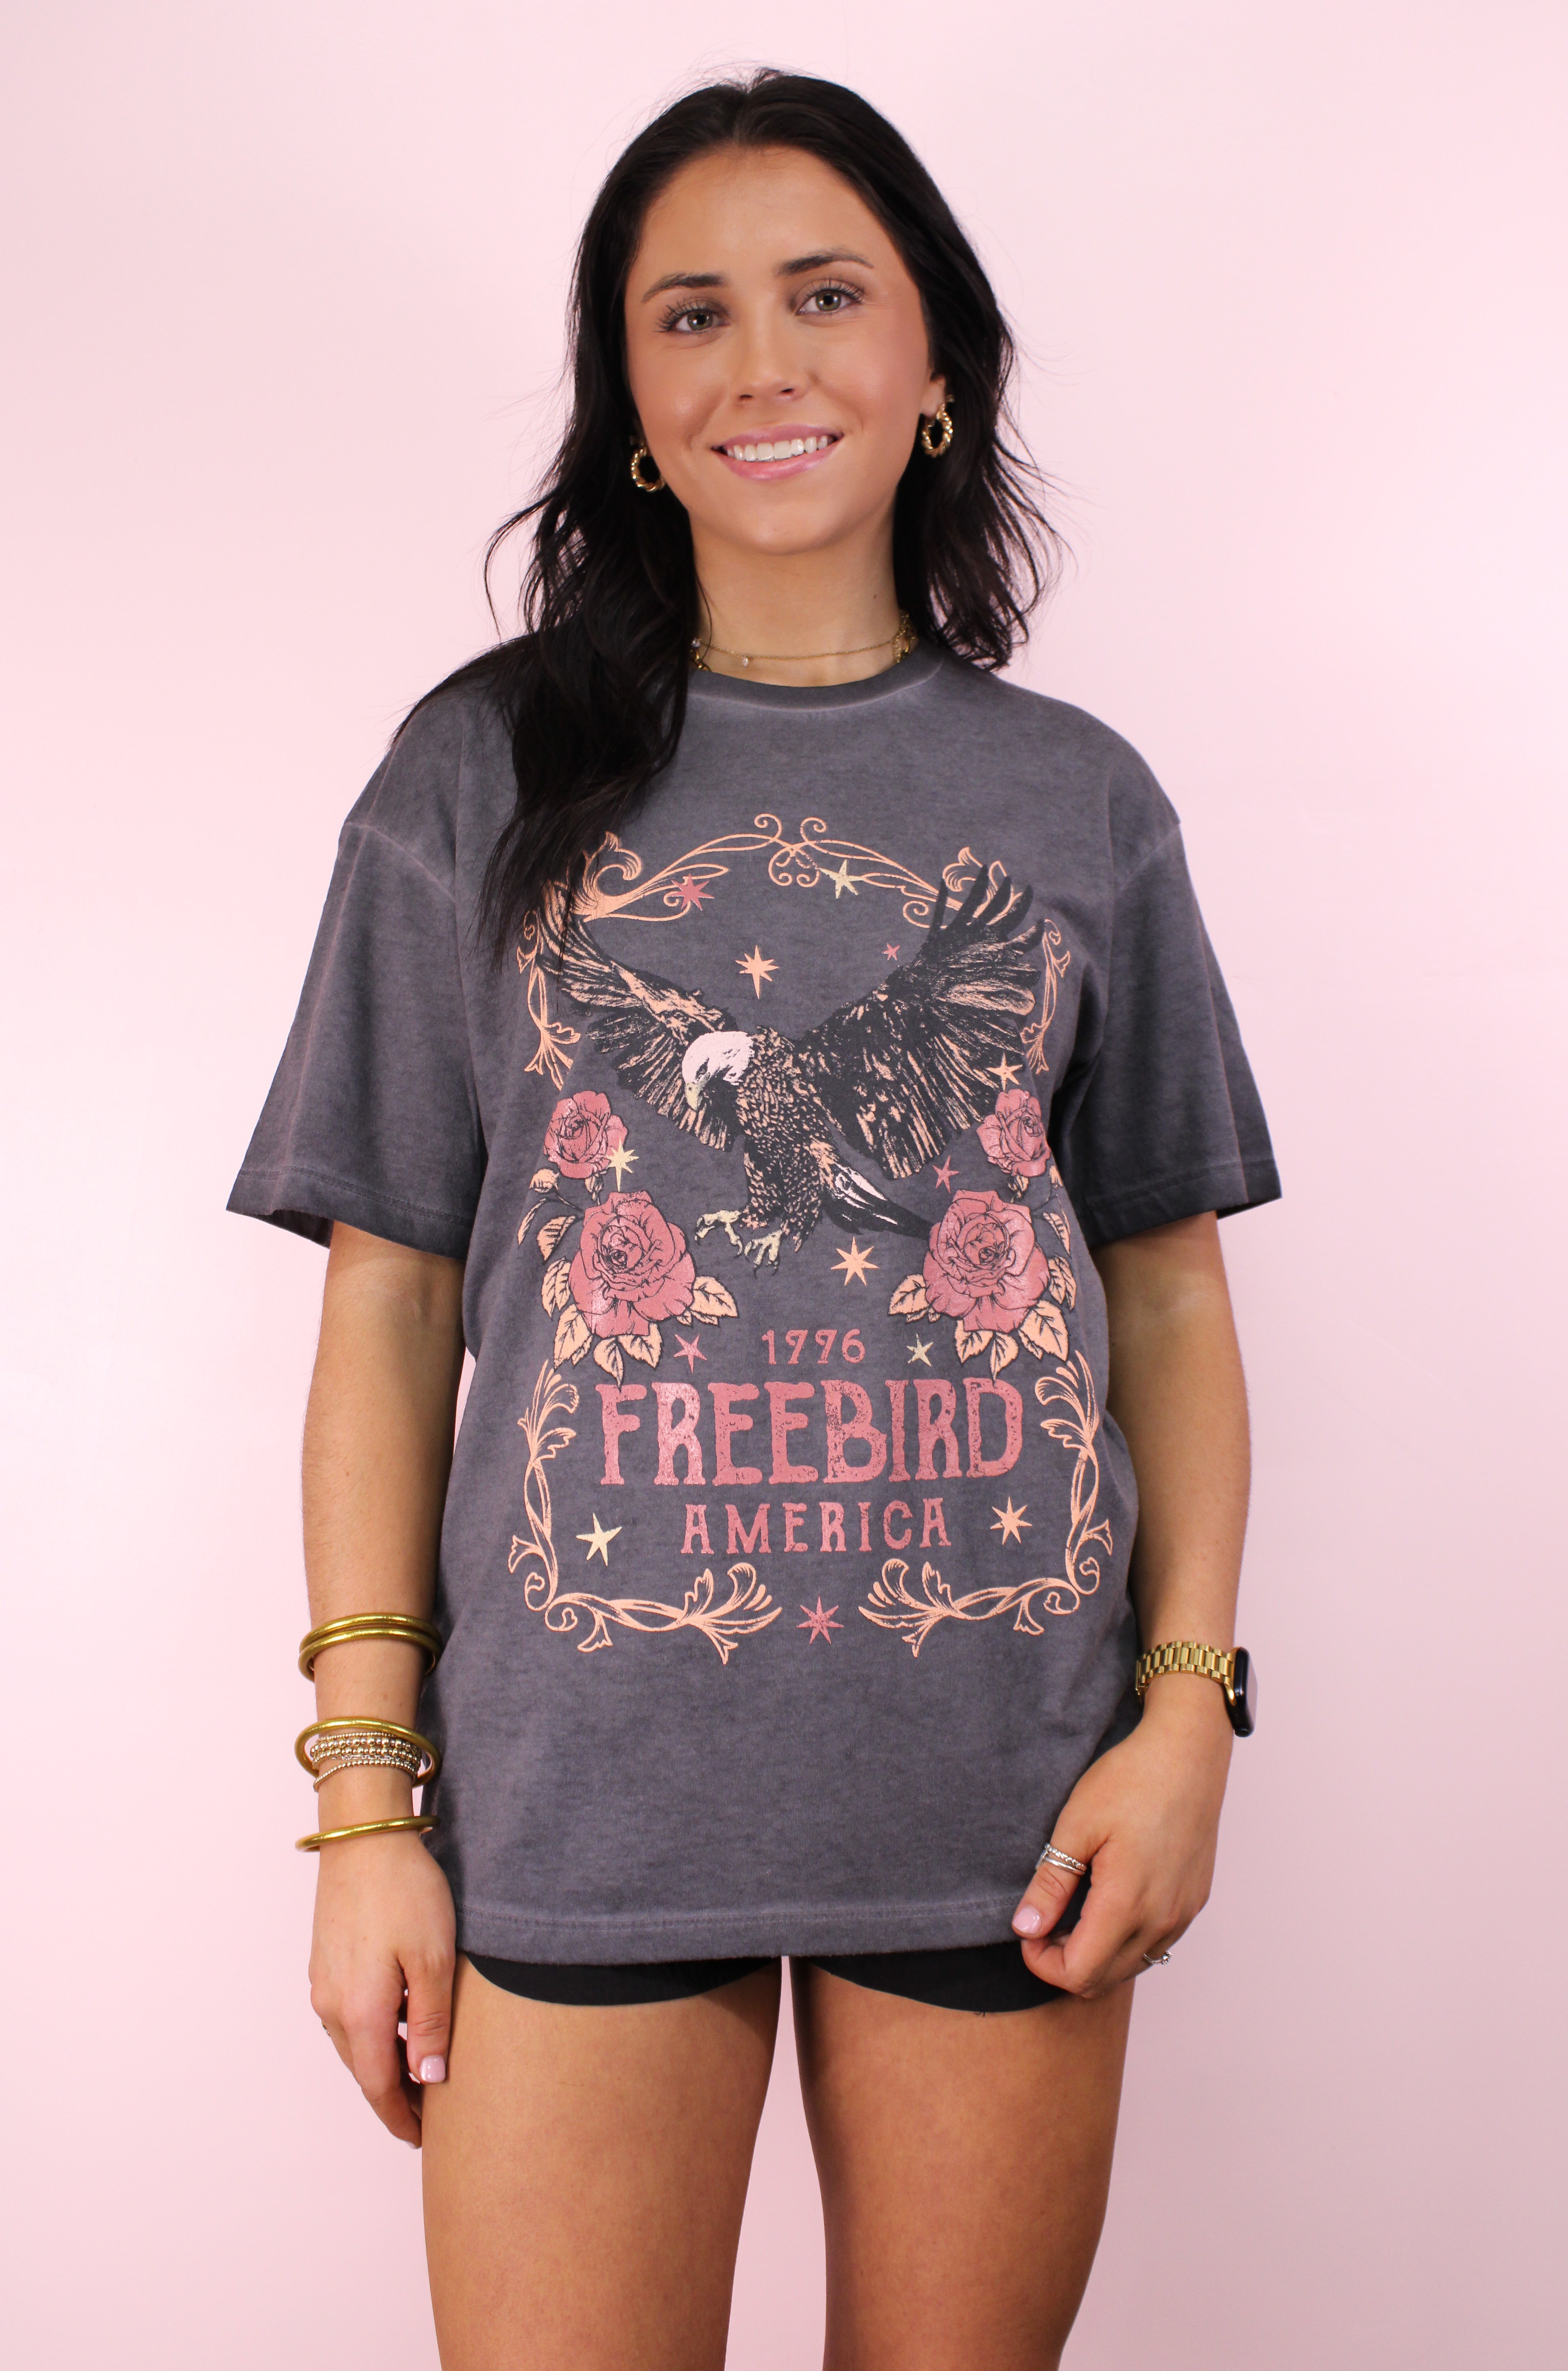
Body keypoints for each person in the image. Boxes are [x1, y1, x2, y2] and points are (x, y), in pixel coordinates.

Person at [231, 69, 1278, 2371]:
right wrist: (365, 1806)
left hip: (1005, 1790)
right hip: (583, 1796)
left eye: (826, 294)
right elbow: (391, 1310)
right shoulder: (477, 778)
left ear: (937, 366)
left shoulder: (1075, 801)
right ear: (628, 400)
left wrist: (1188, 1713)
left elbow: (1171, 1300)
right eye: (689, 314)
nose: (762, 362)